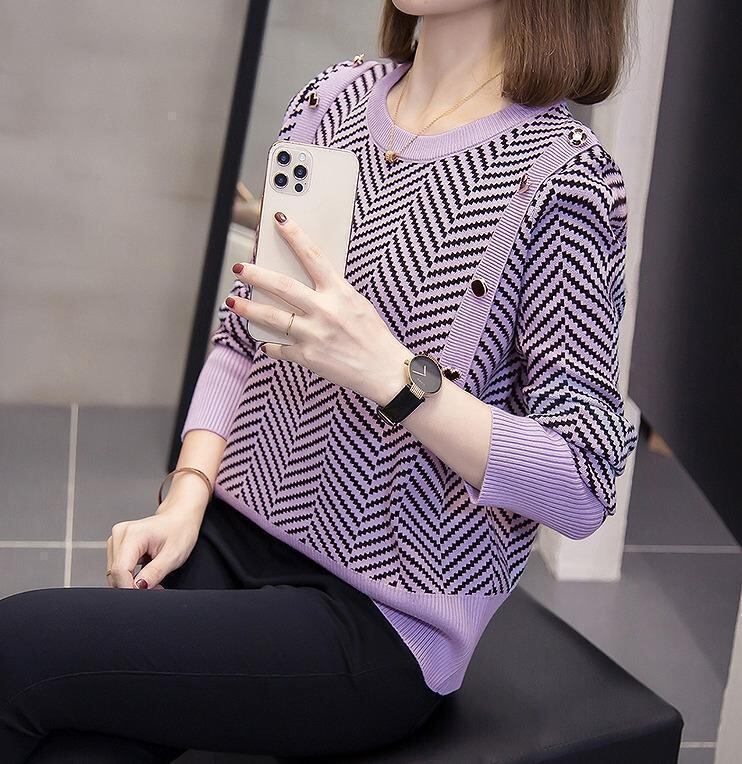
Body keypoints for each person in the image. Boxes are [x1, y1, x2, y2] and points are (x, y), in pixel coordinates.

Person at [0, 0, 638, 760]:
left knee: (20, 644)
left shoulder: (565, 180)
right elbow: (244, 334)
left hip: (379, 618)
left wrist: (396, 379)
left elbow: (583, 483)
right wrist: (186, 495)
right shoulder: (334, 100)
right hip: (229, 532)